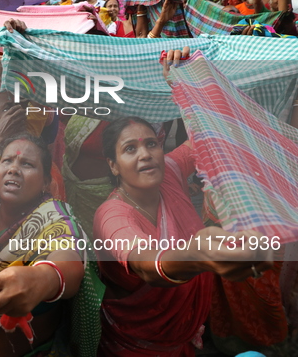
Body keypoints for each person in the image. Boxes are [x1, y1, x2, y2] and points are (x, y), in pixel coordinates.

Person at [93, 48, 275, 355]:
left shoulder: (170, 171)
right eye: (130, 149)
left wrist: (186, 82)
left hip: (188, 333)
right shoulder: (111, 214)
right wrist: (198, 254)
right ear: (112, 165)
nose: (145, 154)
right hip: (139, 346)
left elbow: (206, 136)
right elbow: (146, 263)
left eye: (151, 144)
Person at [0, 134, 93, 357]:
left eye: (27, 164)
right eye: (7, 161)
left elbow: (68, 255)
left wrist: (43, 278)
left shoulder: (54, 217)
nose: (14, 169)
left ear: (46, 180)